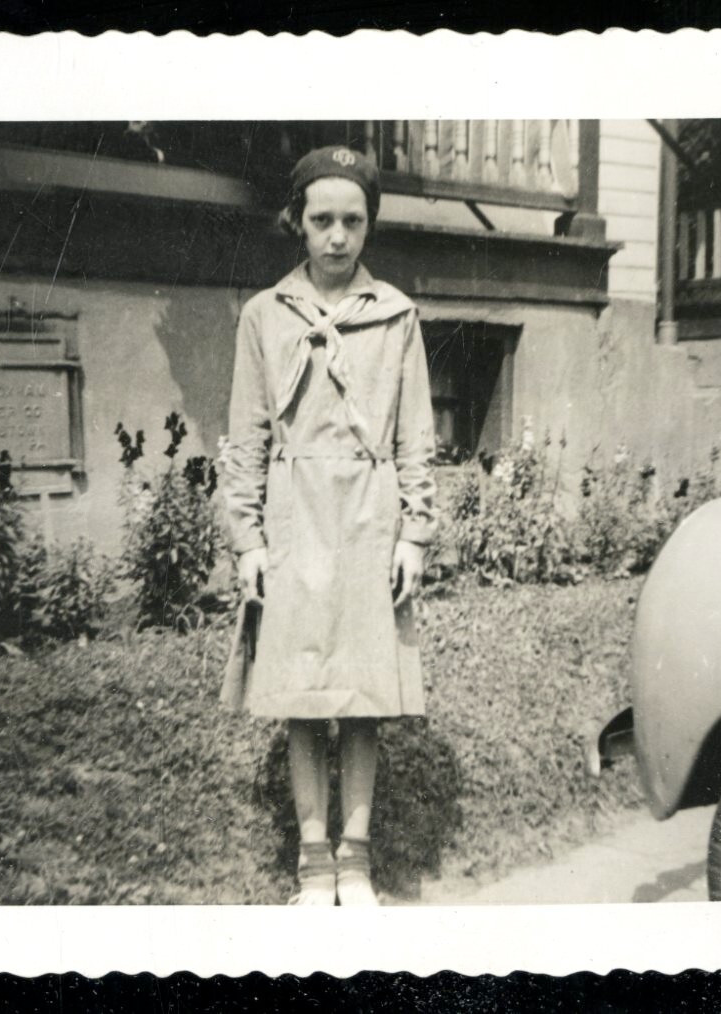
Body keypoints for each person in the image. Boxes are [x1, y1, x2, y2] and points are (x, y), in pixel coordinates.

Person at [221, 146, 437, 906]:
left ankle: (357, 855)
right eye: (322, 221)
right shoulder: (263, 316)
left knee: (363, 695)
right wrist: (246, 540)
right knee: (304, 696)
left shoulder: (397, 316)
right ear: (298, 224)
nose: (337, 237)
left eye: (352, 221)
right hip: (292, 517)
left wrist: (414, 533)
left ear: (369, 224)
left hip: (369, 518)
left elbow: (415, 433)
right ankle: (313, 857)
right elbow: (244, 435)